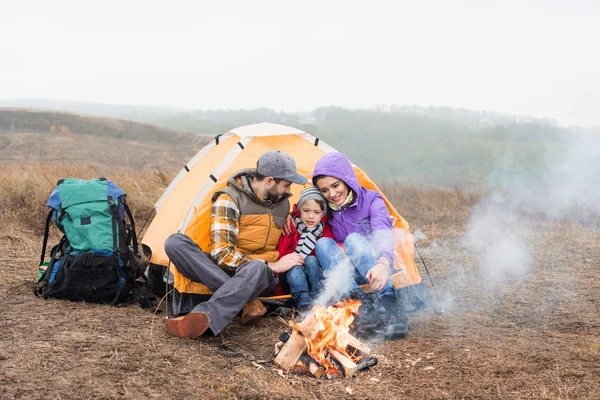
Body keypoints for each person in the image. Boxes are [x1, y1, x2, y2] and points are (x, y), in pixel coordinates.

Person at [164, 150, 307, 339]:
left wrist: (292, 217)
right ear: (269, 181)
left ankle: (207, 315)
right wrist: (272, 265)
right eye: (286, 185)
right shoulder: (229, 199)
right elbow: (223, 254)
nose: (290, 192)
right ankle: (248, 300)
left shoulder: (283, 204)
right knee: (175, 243)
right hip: (231, 268)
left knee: (255, 267)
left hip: (262, 276)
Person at [312, 152, 408, 339]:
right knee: (322, 244)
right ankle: (362, 308)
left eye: (335, 185)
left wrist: (383, 263)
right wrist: (292, 219)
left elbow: (382, 231)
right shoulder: (325, 209)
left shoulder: (371, 200)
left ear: (346, 179)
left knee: (354, 240)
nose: (331, 194)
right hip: (346, 275)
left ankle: (391, 306)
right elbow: (305, 211)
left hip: (375, 269)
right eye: (324, 190)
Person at [275, 186, 334, 311]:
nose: (311, 216)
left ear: (322, 213)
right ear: (299, 210)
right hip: (292, 277)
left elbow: (328, 255)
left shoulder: (325, 230)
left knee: (312, 260)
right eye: (306, 210)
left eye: (316, 212)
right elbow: (281, 255)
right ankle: (303, 301)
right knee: (294, 263)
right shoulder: (291, 226)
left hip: (316, 276)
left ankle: (320, 299)